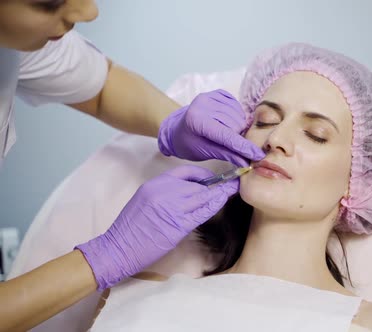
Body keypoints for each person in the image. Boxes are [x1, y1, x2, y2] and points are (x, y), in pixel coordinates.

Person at [90, 44, 372, 332]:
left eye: (316, 134)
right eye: (265, 120)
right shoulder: (137, 295)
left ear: (359, 183)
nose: (276, 139)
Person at [0, 1, 264, 331]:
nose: (89, 12)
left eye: (317, 135)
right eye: (50, 2)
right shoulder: (147, 299)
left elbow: (100, 87)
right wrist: (104, 258)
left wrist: (173, 122)